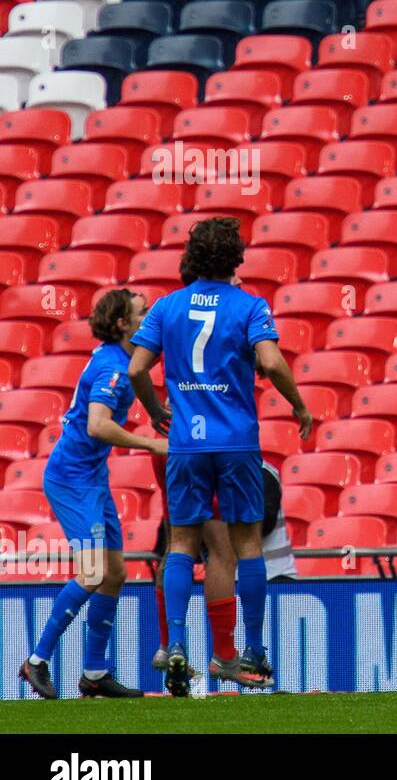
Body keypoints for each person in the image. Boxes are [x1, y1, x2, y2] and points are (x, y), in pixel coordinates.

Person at [128, 216, 312, 696]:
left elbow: (136, 368)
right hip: (236, 442)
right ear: (234, 258)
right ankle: (251, 649)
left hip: (186, 442)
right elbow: (270, 362)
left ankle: (179, 647)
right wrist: (298, 404)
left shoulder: (166, 307)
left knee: (182, 544)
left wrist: (156, 411)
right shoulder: (250, 305)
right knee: (247, 544)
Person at [18, 290, 165, 699]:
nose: (148, 315)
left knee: (114, 573)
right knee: (93, 573)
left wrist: (158, 414)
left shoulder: (123, 361)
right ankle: (36, 661)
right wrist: (151, 443)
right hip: (71, 480)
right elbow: (98, 425)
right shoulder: (112, 369)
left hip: (92, 478)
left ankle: (95, 674)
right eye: (142, 312)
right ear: (122, 323)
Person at [148, 459, 289, 688]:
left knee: (177, 545)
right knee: (225, 553)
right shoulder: (256, 465)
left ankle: (169, 644)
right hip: (220, 451)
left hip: (175, 450)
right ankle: (232, 654)